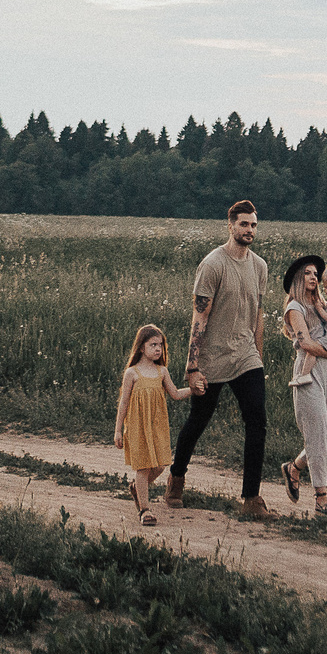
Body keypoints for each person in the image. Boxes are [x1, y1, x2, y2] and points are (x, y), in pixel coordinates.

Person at [169, 199, 273, 518]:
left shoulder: (259, 266)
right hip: (211, 359)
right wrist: (192, 366)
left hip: (246, 357)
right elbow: (199, 318)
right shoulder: (213, 264)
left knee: (257, 421)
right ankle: (176, 478)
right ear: (230, 225)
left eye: (254, 225)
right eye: (244, 224)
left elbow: (257, 316)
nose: (249, 230)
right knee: (198, 421)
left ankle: (251, 499)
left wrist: (258, 357)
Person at [279, 257, 327, 515]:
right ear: (298, 279)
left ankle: (294, 468)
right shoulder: (295, 308)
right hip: (308, 373)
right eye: (307, 273)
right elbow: (306, 343)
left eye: (315, 273)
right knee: (318, 435)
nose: (313, 277)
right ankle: (321, 499)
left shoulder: (325, 303)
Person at [112, 323, 190, 525]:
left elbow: (175, 394)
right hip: (137, 427)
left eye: (161, 345)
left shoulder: (162, 371)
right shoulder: (132, 373)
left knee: (162, 465)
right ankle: (145, 511)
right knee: (143, 467)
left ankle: (138, 487)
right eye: (153, 344)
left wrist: (194, 390)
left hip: (157, 426)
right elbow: (124, 403)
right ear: (141, 348)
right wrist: (118, 430)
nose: (158, 349)